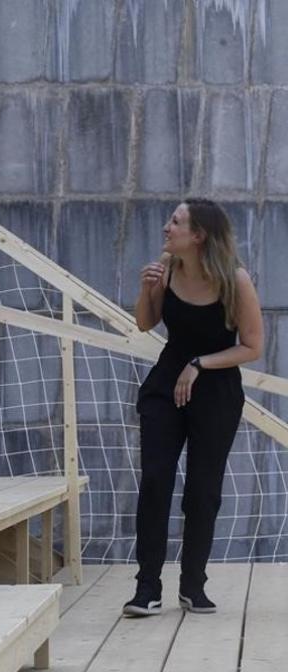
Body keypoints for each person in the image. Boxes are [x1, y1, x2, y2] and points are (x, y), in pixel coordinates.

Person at [123, 200, 262, 617]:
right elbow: (146, 323)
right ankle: (147, 587)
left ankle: (192, 584)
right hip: (166, 386)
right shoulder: (167, 266)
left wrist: (200, 364)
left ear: (199, 235)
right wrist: (148, 289)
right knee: (155, 481)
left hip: (216, 392)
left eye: (176, 222)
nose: (167, 227)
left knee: (203, 491)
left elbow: (252, 347)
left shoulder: (235, 280)